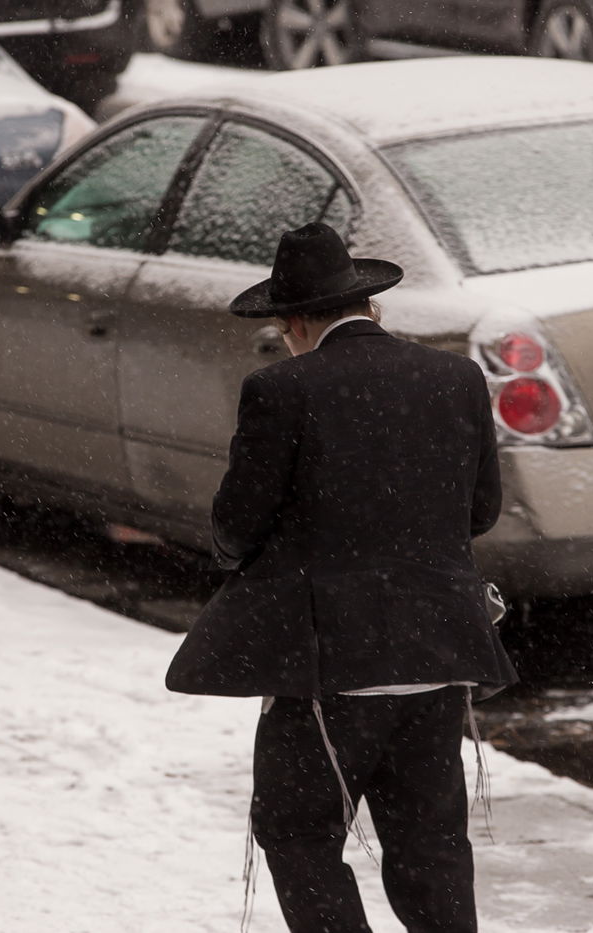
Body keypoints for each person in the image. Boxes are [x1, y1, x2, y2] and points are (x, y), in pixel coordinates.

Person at [167, 222, 516, 932]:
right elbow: (481, 510)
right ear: (371, 307)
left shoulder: (280, 390)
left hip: (329, 669)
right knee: (431, 844)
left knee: (297, 832)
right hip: (437, 659)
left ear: (295, 321)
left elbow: (236, 527)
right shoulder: (455, 377)